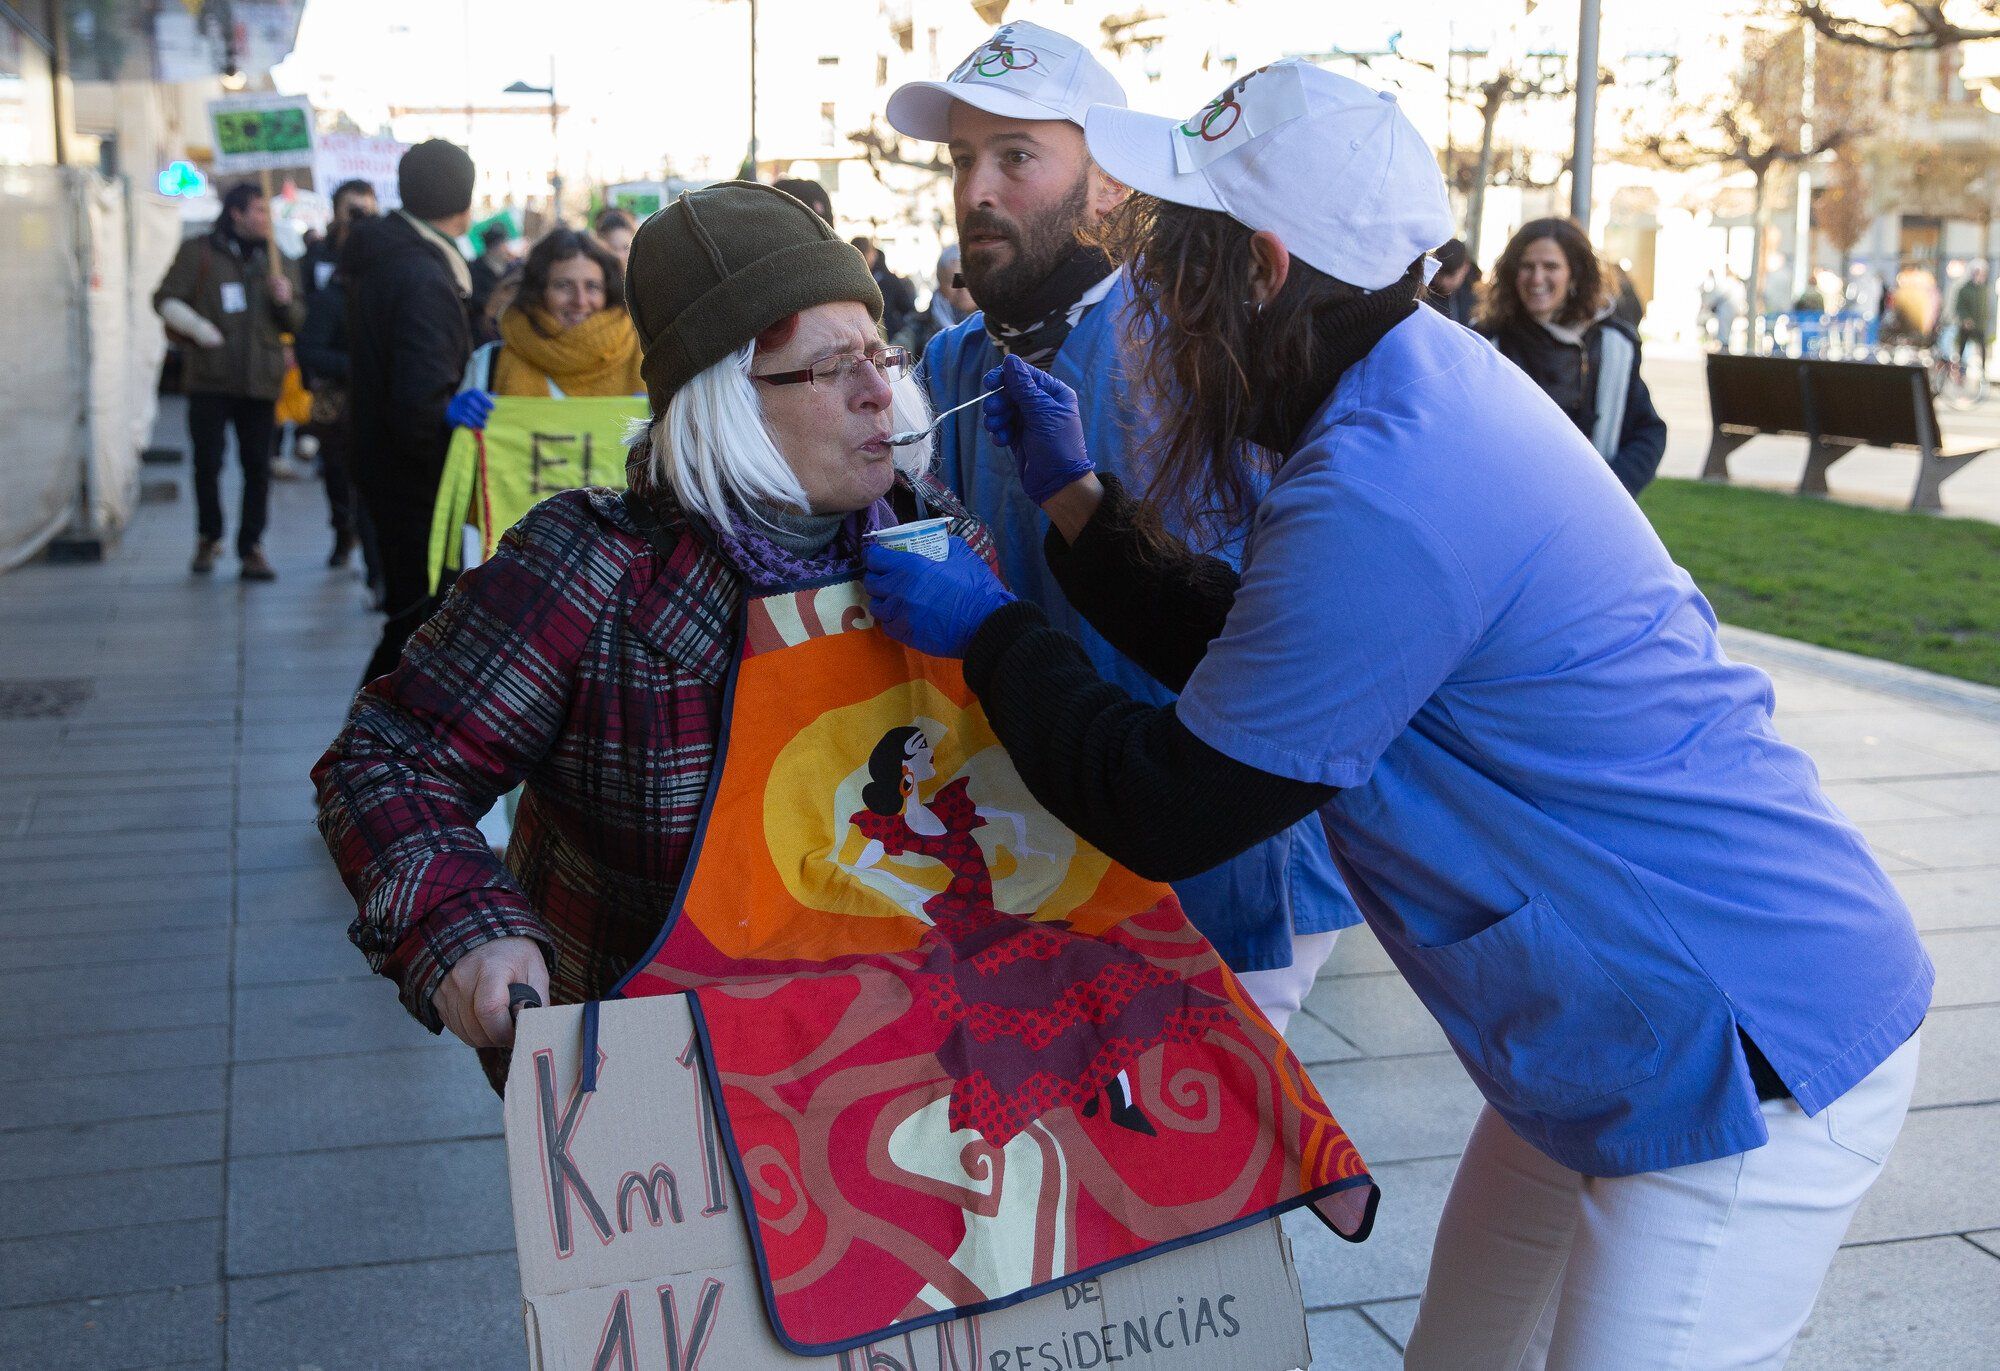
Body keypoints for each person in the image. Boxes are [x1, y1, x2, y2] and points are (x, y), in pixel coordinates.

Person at [859, 60, 1930, 1370]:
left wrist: (991, 627)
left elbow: (1176, 799)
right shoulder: (1386, 393)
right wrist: (1078, 506)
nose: (1150, 296)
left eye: (1172, 257)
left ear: (1255, 265)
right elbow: (1254, 658)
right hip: (1610, 1020)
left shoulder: (1392, 479)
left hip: (1745, 1033)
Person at [314, 182, 975, 1080]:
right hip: (665, 1080)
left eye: (879, 354)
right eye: (830, 367)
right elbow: (387, 761)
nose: (877, 394)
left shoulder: (933, 533)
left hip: (900, 1054)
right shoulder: (588, 568)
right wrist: (468, 931)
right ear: (725, 402)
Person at [884, 22, 1359, 1031]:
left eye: (1016, 156)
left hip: (1219, 862)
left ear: (1106, 183)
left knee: (1195, 1169)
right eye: (963, 157)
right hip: (1035, 841)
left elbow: (1261, 627)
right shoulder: (950, 362)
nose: (976, 189)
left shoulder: (1201, 347)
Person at [341, 138, 478, 686]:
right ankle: (362, 744)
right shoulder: (422, 275)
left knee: (414, 619)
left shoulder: (387, 257)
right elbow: (420, 403)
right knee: (417, 625)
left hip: (382, 465)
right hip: (413, 484)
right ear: (465, 202)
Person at [153, 181, 305, 580]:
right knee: (208, 463)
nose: (266, 219)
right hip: (209, 379)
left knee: (258, 466)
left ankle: (251, 546)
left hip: (261, 382)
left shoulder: (278, 259)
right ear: (236, 213)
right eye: (258, 210)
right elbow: (165, 298)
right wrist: (200, 329)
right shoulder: (198, 252)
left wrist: (285, 299)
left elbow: (299, 320)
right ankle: (208, 536)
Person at [1476, 218, 1667, 497]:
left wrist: (1611, 489)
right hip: (1506, 502)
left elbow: (1648, 433)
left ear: (1575, 275)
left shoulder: (1613, 347)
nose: (1537, 278)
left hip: (1591, 509)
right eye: (1527, 267)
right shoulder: (1486, 346)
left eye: (1551, 266)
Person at [445, 227, 641, 429]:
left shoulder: (646, 365)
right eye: (563, 285)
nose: (580, 301)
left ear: (608, 293)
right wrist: (449, 427)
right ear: (538, 291)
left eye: (592, 286)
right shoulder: (489, 366)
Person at [297, 178, 381, 577]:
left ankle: (373, 560)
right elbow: (309, 341)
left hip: (377, 404)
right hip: (339, 402)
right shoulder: (326, 272)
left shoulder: (390, 277)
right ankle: (343, 533)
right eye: (353, 211)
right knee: (338, 475)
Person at [851, 234, 918, 346]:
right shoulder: (888, 278)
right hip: (875, 340)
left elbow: (907, 307)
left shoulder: (887, 279)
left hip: (887, 339)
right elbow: (907, 307)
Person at [910, 243, 974, 354]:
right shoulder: (919, 326)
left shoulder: (996, 325)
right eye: (953, 281)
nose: (962, 288)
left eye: (967, 279)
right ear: (940, 284)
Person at [467, 222, 514, 337]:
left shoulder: (512, 269)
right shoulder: (474, 269)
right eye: (501, 244)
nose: (505, 247)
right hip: (481, 332)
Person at [1423, 237, 1478, 325]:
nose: (1444, 281)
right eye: (1440, 273)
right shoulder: (1422, 292)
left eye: (1451, 275)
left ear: (1465, 268)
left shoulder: (1475, 292)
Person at [1953, 260, 1989, 376]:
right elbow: (1959, 306)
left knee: (1983, 347)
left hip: (1979, 325)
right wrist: (1965, 318)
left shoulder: (1983, 290)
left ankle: (1983, 370)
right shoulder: (1964, 289)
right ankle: (1961, 370)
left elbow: (1984, 307)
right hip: (1967, 325)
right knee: (1962, 348)